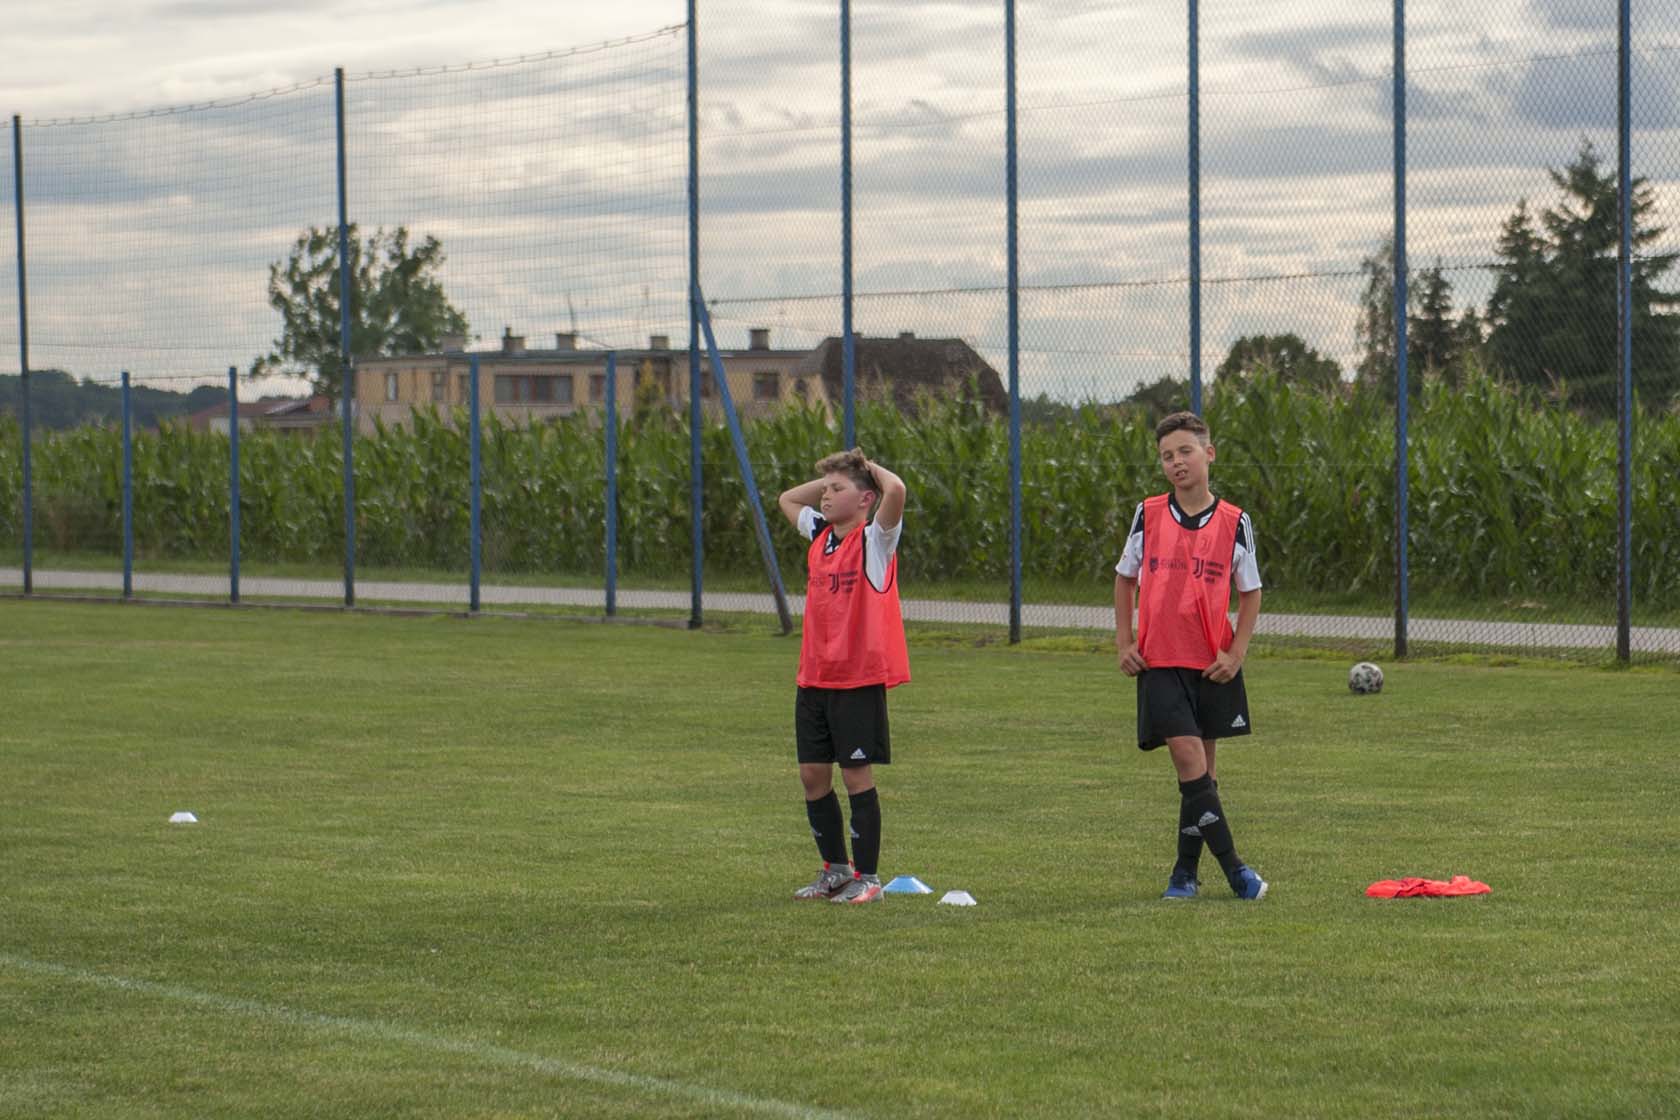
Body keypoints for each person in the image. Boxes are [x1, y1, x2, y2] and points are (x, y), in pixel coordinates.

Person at [1114, 411, 1268, 901]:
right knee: (1187, 757)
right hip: (1159, 660)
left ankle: (1184, 874)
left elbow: (1250, 592)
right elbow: (1125, 578)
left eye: (1185, 451)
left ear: (1209, 453)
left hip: (1211, 665)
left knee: (1202, 776)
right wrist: (1125, 641)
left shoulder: (1235, 521)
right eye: (1166, 456)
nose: (1176, 462)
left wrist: (1236, 653)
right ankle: (1237, 871)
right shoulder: (1149, 513)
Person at [776, 449, 909, 904]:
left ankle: (868, 878)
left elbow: (896, 489)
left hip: (856, 680)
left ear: (866, 499)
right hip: (814, 677)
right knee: (813, 775)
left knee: (855, 777)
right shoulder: (820, 533)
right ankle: (835, 870)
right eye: (825, 490)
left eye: (837, 490)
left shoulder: (875, 541)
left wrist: (865, 469)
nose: (826, 497)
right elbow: (787, 499)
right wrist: (835, 475)